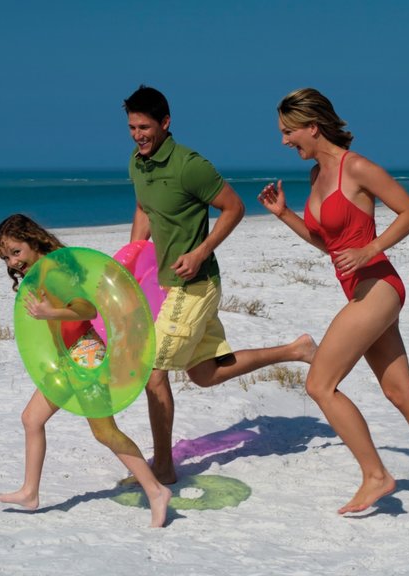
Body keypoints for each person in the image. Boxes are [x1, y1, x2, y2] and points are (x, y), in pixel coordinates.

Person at [257, 87, 409, 517]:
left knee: (319, 385)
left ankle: (375, 476)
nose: (284, 141)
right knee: (401, 392)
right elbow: (328, 245)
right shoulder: (316, 177)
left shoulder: (356, 167)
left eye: (288, 131)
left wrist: (370, 249)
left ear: (312, 127)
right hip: (358, 287)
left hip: (378, 286)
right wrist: (286, 215)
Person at [124, 85, 317, 485]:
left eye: (144, 127)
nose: (137, 135)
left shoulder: (190, 165)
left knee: (153, 371)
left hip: (195, 284)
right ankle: (296, 349)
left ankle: (163, 466)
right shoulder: (136, 164)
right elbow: (144, 207)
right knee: (205, 374)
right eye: (131, 127)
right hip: (168, 283)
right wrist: (132, 258)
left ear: (165, 123)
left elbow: (235, 207)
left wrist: (199, 251)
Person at [0, 213, 172, 527]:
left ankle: (156, 491)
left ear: (34, 241)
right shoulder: (41, 270)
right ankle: (30, 492)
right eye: (5, 257)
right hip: (66, 360)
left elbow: (87, 308)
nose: (12, 262)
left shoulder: (52, 271)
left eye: (16, 252)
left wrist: (51, 312)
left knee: (105, 432)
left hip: (85, 357)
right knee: (31, 419)